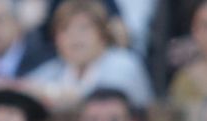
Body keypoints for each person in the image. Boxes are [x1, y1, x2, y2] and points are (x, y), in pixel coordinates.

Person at [25, 0, 153, 108]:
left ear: (102, 34)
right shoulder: (54, 69)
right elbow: (23, 88)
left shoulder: (124, 64)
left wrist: (50, 93)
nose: (74, 36)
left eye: (84, 28)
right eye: (65, 29)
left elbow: (104, 101)